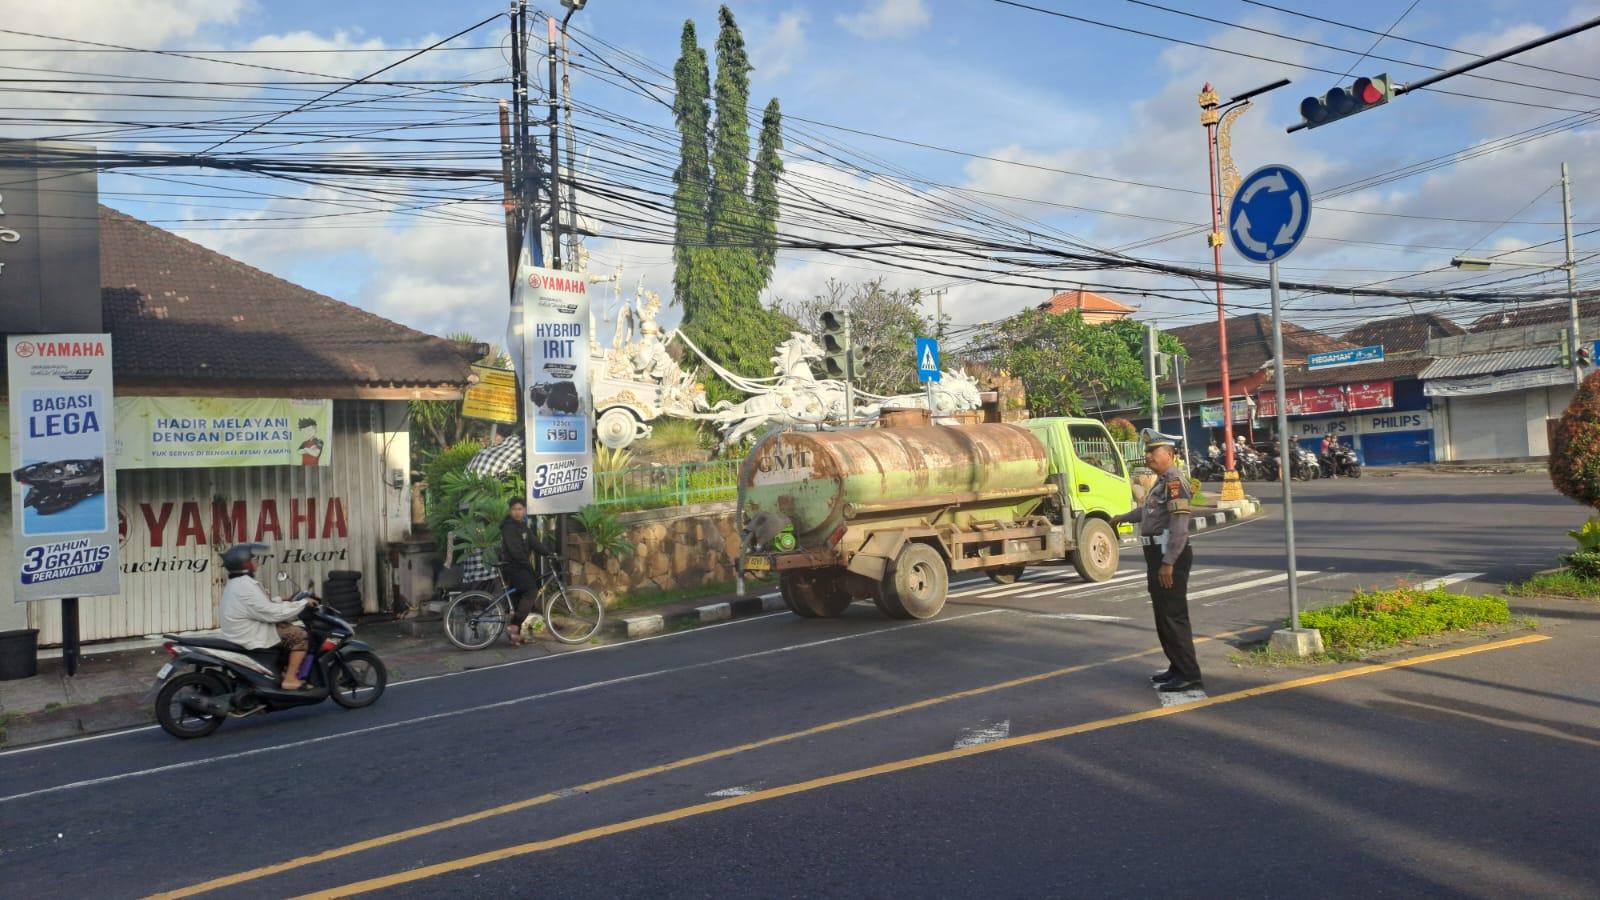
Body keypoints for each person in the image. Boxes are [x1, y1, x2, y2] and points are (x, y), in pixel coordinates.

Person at [1111, 429, 1203, 693]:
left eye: (1154, 451)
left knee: (1174, 615)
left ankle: (1189, 673)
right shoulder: (1162, 482)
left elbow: (1179, 524)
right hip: (1156, 554)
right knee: (1163, 615)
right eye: (1148, 451)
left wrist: (1169, 561)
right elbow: (1148, 511)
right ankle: (1176, 667)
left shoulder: (1175, 483)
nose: (1148, 456)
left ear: (1170, 455)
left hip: (1169, 554)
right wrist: (1122, 518)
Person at [217, 543, 317, 690]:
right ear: (245, 563)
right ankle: (290, 679)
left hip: (243, 628)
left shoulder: (238, 583)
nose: (256, 561)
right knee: (299, 635)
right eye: (253, 559)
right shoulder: (246, 586)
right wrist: (302, 604)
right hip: (249, 633)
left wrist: (284, 600)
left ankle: (281, 670)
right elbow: (271, 613)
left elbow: (258, 606)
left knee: (286, 628)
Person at [500, 498, 557, 645]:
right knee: (531, 590)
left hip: (520, 566)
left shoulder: (523, 526)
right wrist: (529, 567)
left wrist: (549, 553)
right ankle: (514, 625)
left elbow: (534, 542)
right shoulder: (508, 527)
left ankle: (515, 635)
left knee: (520, 599)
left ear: (524, 511)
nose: (517, 512)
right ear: (510, 511)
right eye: (514, 509)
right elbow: (515, 551)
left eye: (520, 509)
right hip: (514, 567)